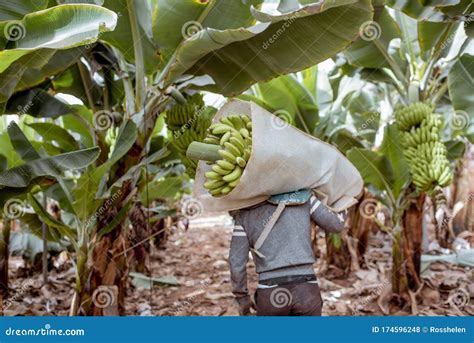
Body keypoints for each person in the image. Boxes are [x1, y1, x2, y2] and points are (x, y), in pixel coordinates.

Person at [228, 189, 348, 316]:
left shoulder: (244, 215)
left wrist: (242, 297)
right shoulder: (304, 199)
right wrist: (344, 202)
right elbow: (336, 225)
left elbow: (235, 261)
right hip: (307, 290)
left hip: (269, 293)